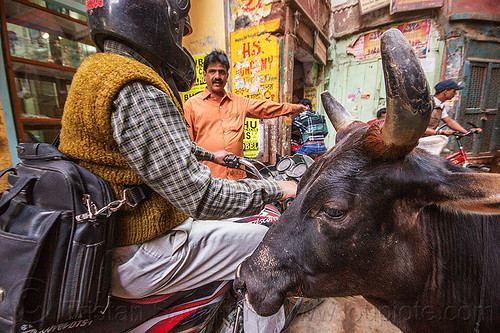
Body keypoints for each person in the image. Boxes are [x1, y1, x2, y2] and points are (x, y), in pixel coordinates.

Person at [58, 1, 296, 331]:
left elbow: (156, 145)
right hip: (141, 251)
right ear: (152, 17)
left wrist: (209, 155)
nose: (185, 31)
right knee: (270, 245)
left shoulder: (97, 73)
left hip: (116, 238)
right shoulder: (136, 86)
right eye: (181, 25)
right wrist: (280, 187)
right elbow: (200, 196)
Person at [184, 50, 308, 180]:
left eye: (221, 72)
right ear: (204, 74)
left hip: (237, 177)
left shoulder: (240, 102)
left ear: (227, 75)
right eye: (212, 71)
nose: (217, 76)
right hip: (209, 179)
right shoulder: (192, 105)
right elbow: (188, 146)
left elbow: (265, 108)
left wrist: (293, 108)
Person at [418, 79, 482, 155]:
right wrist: (439, 132)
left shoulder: (440, 106)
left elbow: (449, 121)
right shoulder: (427, 104)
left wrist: (466, 132)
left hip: (427, 138)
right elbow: (417, 126)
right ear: (446, 91)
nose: (455, 94)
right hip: (417, 139)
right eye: (453, 91)